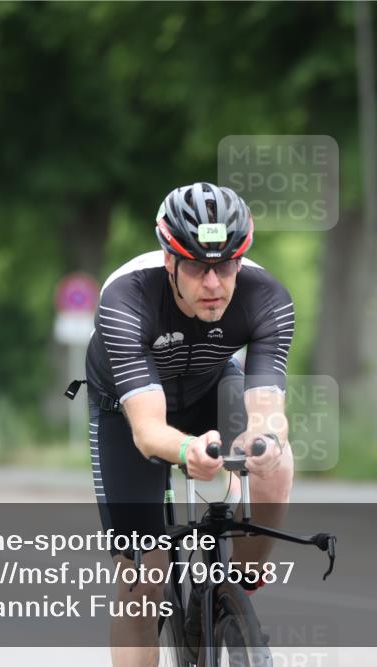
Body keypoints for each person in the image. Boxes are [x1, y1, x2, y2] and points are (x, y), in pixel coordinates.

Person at [84, 182, 294, 666]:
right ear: (169, 261)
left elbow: (268, 411)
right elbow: (148, 431)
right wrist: (187, 453)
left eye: (225, 266)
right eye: (198, 268)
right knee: (144, 577)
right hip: (127, 408)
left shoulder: (268, 298)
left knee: (277, 467)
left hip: (209, 384)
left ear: (242, 260)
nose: (214, 284)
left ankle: (235, 598)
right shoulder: (125, 299)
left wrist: (262, 440)